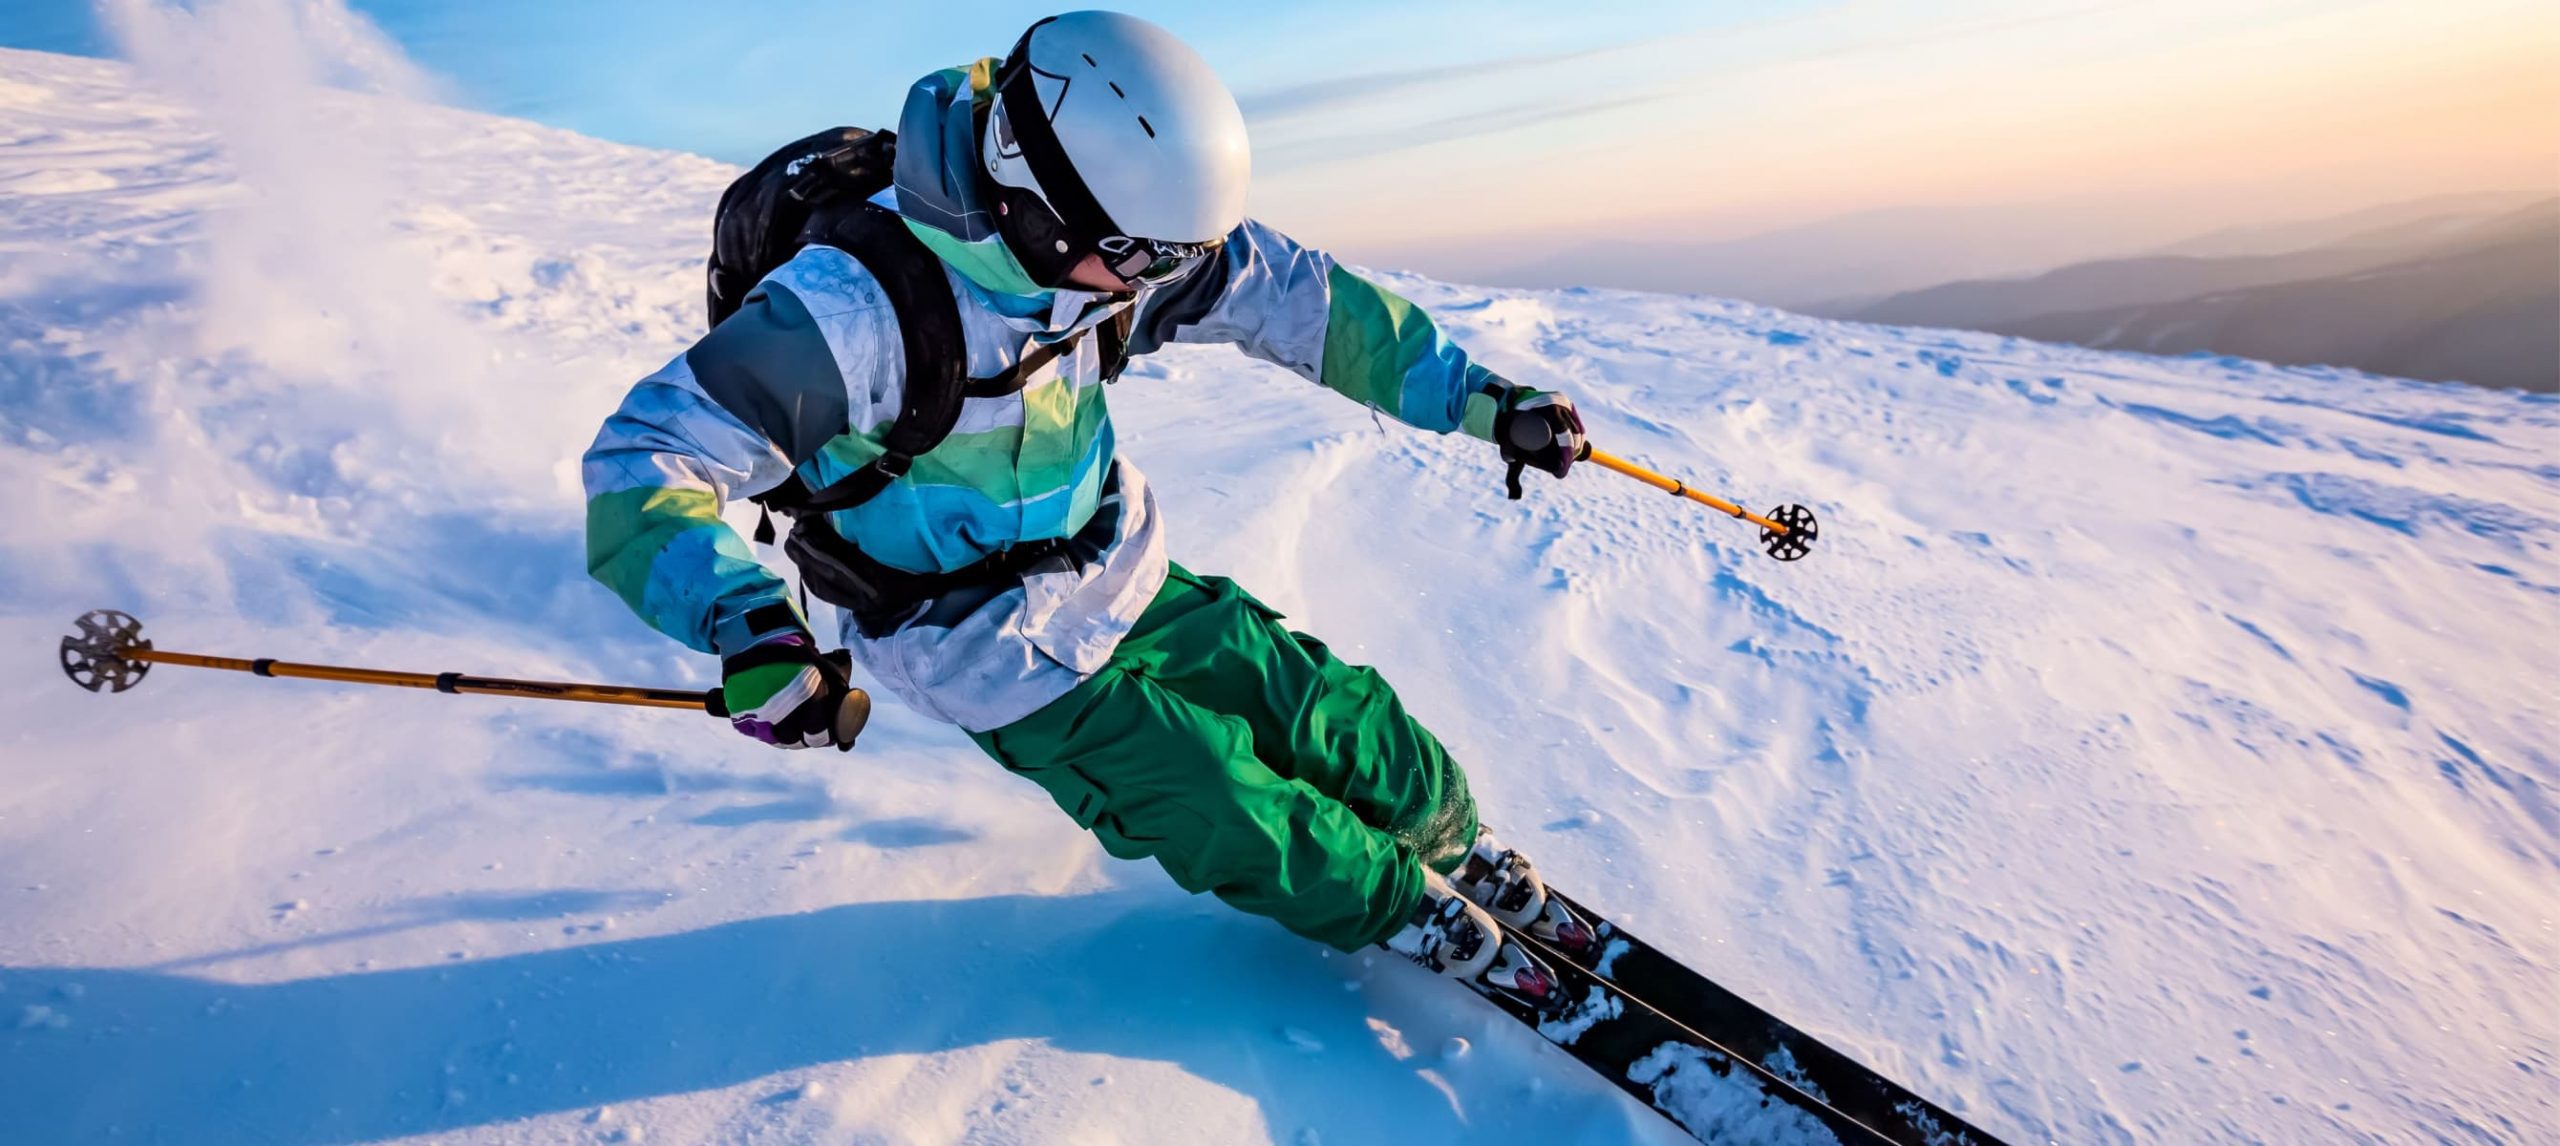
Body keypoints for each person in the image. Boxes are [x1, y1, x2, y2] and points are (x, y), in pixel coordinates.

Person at [581, 10, 1588, 985]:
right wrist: (751, 628)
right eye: (1148, 257)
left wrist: (1480, 401)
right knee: (1220, 797)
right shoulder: (855, 313)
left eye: (1179, 254)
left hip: (1113, 563)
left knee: (1329, 714)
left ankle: (1448, 837)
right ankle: (1391, 905)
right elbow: (646, 461)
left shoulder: (1115, 249)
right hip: (977, 642)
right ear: (1031, 200)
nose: (1158, 281)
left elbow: (1303, 300)